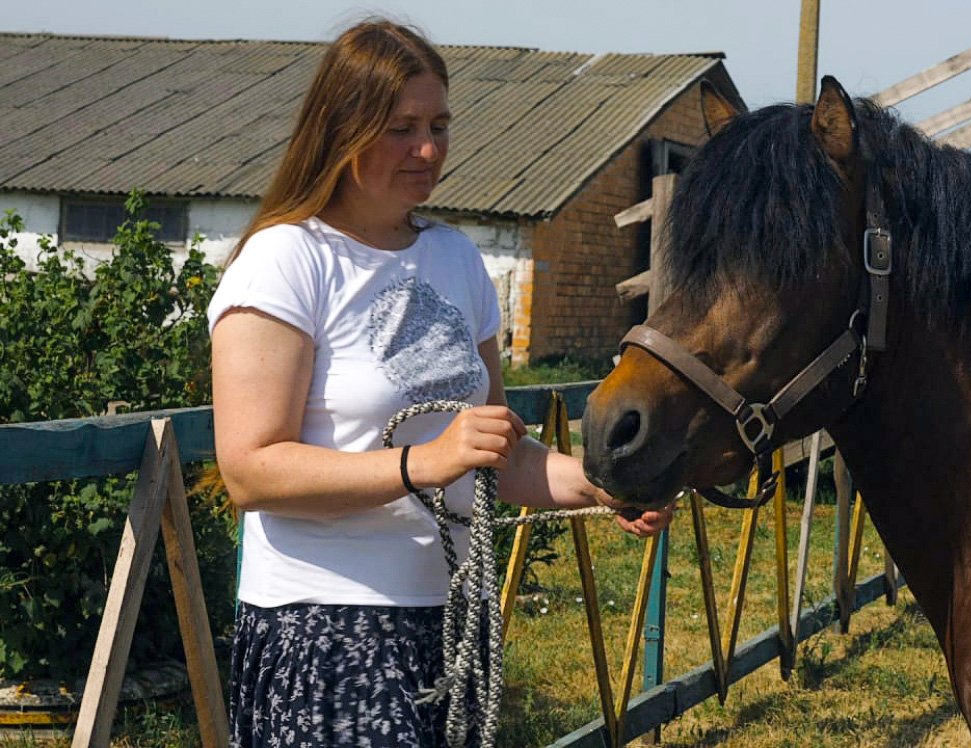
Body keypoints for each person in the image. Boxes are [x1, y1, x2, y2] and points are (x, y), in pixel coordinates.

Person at [207, 19, 671, 747]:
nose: (428, 149)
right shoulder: (285, 263)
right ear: (341, 130)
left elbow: (498, 455)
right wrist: (424, 462)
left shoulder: (455, 259)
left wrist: (603, 485)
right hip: (328, 629)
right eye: (401, 129)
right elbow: (250, 469)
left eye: (440, 125)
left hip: (456, 621)